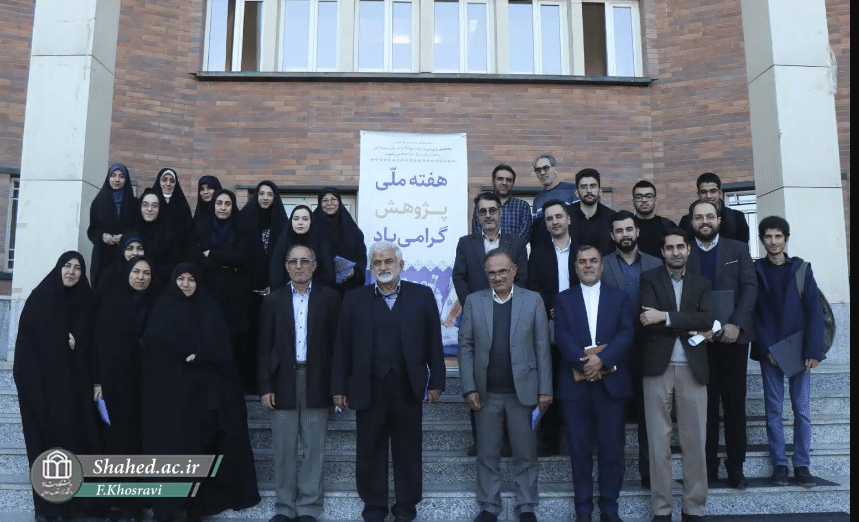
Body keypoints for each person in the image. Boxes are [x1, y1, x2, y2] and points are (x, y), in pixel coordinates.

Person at [331, 241, 446, 522]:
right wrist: (338, 387)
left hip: (408, 386)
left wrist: (437, 381)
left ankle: (405, 508)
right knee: (369, 448)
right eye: (377, 263)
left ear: (401, 265)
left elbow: (434, 341)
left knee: (408, 449)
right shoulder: (354, 299)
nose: (383, 267)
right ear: (371, 267)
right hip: (368, 387)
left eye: (388, 261)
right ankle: (374, 507)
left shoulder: (422, 296)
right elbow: (342, 347)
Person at [141, 263, 260, 522]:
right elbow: (153, 352)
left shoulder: (208, 308)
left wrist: (202, 356)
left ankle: (194, 505)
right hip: (171, 401)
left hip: (203, 399)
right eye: (181, 278)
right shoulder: (162, 309)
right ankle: (170, 506)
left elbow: (222, 351)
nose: (186, 284)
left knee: (201, 450)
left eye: (191, 279)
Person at [459, 248, 552, 522]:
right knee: (487, 454)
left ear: (513, 271)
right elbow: (466, 346)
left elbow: (543, 347)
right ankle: (489, 506)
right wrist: (469, 388)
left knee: (526, 453)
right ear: (486, 274)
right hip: (486, 393)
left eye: (502, 271)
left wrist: (545, 389)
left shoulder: (533, 300)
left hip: (523, 393)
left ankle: (526, 506)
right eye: (492, 273)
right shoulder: (474, 301)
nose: (498, 277)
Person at [14, 252, 101, 521]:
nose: (72, 272)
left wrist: (78, 346)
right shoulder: (41, 299)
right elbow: (26, 351)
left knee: (75, 446)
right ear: (58, 268)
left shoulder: (87, 301)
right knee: (47, 449)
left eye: (78, 268)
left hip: (77, 393)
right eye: (67, 266)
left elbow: (99, 345)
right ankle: (49, 509)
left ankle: (77, 507)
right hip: (45, 393)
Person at [258, 245, 341, 522]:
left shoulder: (330, 298)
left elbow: (338, 346)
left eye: (305, 261)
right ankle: (284, 507)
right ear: (286, 266)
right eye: (293, 261)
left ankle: (308, 507)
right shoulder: (273, 300)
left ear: (314, 265)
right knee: (284, 448)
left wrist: (337, 386)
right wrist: (265, 386)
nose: (299, 266)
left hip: (318, 380)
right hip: (282, 381)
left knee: (314, 448)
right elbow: (263, 347)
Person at [639, 229, 714, 522]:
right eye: (669, 247)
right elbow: (648, 320)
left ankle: (694, 508)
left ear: (688, 249)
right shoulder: (649, 279)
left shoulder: (702, 283)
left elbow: (706, 319)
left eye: (680, 246)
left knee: (695, 443)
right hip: (657, 368)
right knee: (658, 444)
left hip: (692, 369)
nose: (676, 252)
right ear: (662, 252)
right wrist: (686, 322)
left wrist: (666, 316)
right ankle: (661, 509)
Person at [555, 246, 634, 522]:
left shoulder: (619, 297)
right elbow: (562, 336)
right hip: (575, 387)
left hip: (611, 386)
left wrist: (602, 360)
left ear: (601, 266)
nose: (588, 265)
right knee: (579, 451)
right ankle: (583, 510)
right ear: (576, 267)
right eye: (582, 262)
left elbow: (626, 333)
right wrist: (585, 364)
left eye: (593, 261)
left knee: (612, 451)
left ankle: (610, 508)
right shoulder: (563, 299)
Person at [685, 200, 757, 489]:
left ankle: (736, 466)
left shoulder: (737, 249)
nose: (705, 221)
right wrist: (695, 326)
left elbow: (750, 288)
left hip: (733, 340)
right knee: (704, 407)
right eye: (699, 217)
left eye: (710, 216)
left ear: (719, 220)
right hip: (699, 341)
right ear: (691, 222)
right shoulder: (684, 251)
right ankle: (709, 465)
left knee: (735, 406)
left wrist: (736, 324)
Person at [752, 216, 825, 487]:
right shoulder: (755, 270)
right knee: (773, 410)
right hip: (770, 350)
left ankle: (802, 465)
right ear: (762, 240)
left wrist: (813, 351)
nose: (773, 241)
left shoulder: (802, 269)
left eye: (778, 236)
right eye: (768, 236)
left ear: (786, 239)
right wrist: (766, 348)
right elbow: (754, 314)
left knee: (801, 410)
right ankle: (779, 464)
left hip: (799, 348)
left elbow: (814, 311)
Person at [453, 191, 528, 455]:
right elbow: (459, 277)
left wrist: (507, 304)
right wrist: (474, 307)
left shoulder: (516, 243)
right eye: (482, 211)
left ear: (500, 212)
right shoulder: (466, 243)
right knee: (478, 376)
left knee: (507, 375)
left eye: (492, 210)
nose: (488, 215)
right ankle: (481, 440)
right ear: (477, 215)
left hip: (510, 316)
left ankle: (508, 440)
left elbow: (523, 278)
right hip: (477, 320)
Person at [92, 256, 160, 522]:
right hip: (115, 384)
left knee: (140, 442)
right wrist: (97, 382)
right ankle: (116, 503)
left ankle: (135, 504)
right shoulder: (112, 305)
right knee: (116, 440)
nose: (141, 277)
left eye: (146, 273)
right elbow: (98, 346)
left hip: (147, 385)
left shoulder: (158, 304)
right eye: (136, 272)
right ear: (127, 274)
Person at [601, 210, 663, 487]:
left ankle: (648, 473)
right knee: (613, 414)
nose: (624, 235)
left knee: (648, 413)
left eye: (629, 229)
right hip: (615, 347)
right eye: (619, 230)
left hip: (649, 345)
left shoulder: (655, 263)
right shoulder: (602, 264)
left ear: (637, 232)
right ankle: (615, 472)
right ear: (612, 235)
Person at [526, 200, 576, 456]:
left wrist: (569, 307)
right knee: (550, 381)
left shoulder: (582, 250)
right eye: (549, 218)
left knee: (579, 382)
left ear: (568, 219)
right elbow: (533, 286)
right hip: (550, 324)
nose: (554, 222)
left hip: (580, 325)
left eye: (558, 216)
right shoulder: (538, 253)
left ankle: (577, 440)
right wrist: (553, 307)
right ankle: (550, 442)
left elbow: (591, 280)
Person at [198, 189, 255, 393]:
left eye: (227, 204)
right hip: (209, 293)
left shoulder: (241, 228)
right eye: (219, 203)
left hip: (235, 297)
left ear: (233, 207)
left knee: (234, 343)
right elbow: (198, 258)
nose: (223, 207)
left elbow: (243, 257)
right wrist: (228, 260)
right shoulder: (203, 227)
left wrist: (212, 255)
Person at [87, 163, 138, 286]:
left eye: (121, 176)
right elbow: (92, 230)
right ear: (108, 178)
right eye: (113, 175)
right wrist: (102, 236)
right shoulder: (98, 202)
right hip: (102, 257)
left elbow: (138, 228)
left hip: (126, 255)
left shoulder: (134, 204)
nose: (117, 179)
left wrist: (125, 237)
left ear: (126, 180)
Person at [312, 187, 368, 296]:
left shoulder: (352, 229)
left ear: (339, 202)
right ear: (320, 204)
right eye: (325, 200)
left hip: (347, 288)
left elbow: (361, 255)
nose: (329, 203)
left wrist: (355, 271)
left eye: (333, 199)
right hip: (319, 288)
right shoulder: (312, 227)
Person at [128, 188, 191, 284]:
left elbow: (174, 265)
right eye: (145, 205)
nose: (149, 209)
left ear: (160, 209)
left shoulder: (170, 235)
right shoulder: (131, 233)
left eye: (154, 205)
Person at [270, 205, 335, 290]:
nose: (300, 222)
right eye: (296, 219)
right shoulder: (283, 242)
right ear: (291, 221)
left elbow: (327, 273)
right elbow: (276, 273)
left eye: (305, 219)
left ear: (311, 222)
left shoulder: (321, 243)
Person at [679, 173, 750, 244]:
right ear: (698, 194)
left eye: (713, 191)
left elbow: (743, 247)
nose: (708, 196)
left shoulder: (737, 217)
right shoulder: (686, 221)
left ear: (720, 193)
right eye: (704, 192)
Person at [470, 164, 533, 242]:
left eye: (508, 180)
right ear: (493, 181)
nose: (504, 183)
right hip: (487, 249)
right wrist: (492, 248)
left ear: (513, 183)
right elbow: (477, 232)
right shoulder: (482, 205)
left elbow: (525, 235)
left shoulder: (523, 206)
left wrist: (507, 248)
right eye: (500, 179)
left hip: (515, 250)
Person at [530, 153, 579, 250]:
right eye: (538, 170)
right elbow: (537, 231)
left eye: (546, 168)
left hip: (573, 248)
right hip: (548, 251)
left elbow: (580, 220)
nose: (542, 172)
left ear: (555, 168)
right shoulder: (537, 200)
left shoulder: (572, 190)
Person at [568, 168, 616, 256]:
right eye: (584, 187)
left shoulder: (612, 217)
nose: (589, 191)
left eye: (593, 186)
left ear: (600, 191)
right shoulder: (566, 216)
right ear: (577, 192)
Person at [631, 181, 677, 260]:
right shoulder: (627, 228)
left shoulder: (668, 226)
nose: (644, 200)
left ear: (655, 200)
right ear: (633, 201)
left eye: (649, 196)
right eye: (639, 197)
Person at [152, 167, 195, 244]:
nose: (168, 184)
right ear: (159, 181)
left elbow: (189, 233)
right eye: (164, 180)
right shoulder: (151, 202)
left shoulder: (182, 205)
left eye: (172, 181)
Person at [194, 175, 223, 239]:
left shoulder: (224, 211)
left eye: (209, 188)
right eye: (202, 189)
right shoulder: (200, 212)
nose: (205, 192)